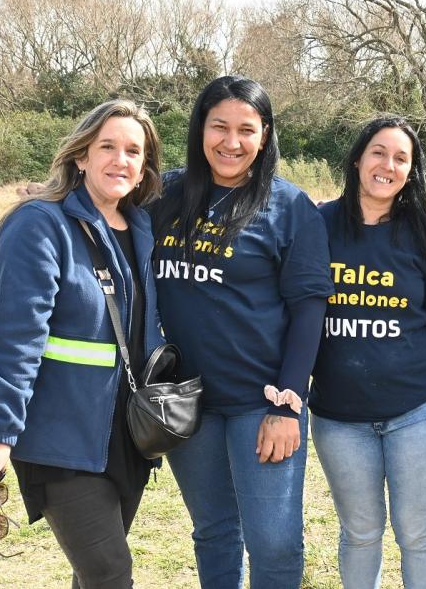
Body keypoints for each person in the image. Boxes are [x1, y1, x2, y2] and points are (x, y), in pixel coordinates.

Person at [0, 99, 164, 587]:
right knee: (110, 574)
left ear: (143, 168)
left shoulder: (140, 227)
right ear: (81, 156)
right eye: (108, 147)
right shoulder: (39, 223)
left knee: (94, 576)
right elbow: (18, 336)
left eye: (133, 151)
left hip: (127, 437)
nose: (121, 160)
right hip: (61, 436)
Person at [150, 75, 334, 588]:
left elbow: (308, 310)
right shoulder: (163, 195)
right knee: (213, 531)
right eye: (219, 127)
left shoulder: (289, 206)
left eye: (246, 130)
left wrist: (286, 404)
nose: (232, 142)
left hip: (262, 402)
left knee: (273, 543)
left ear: (265, 133)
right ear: (199, 129)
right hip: (189, 401)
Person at [309, 116, 426, 589]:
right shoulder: (317, 224)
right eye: (379, 152)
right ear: (358, 158)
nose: (388, 165)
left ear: (411, 171)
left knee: (417, 532)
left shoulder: (425, 235)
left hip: (416, 413)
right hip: (339, 417)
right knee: (360, 533)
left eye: (402, 158)